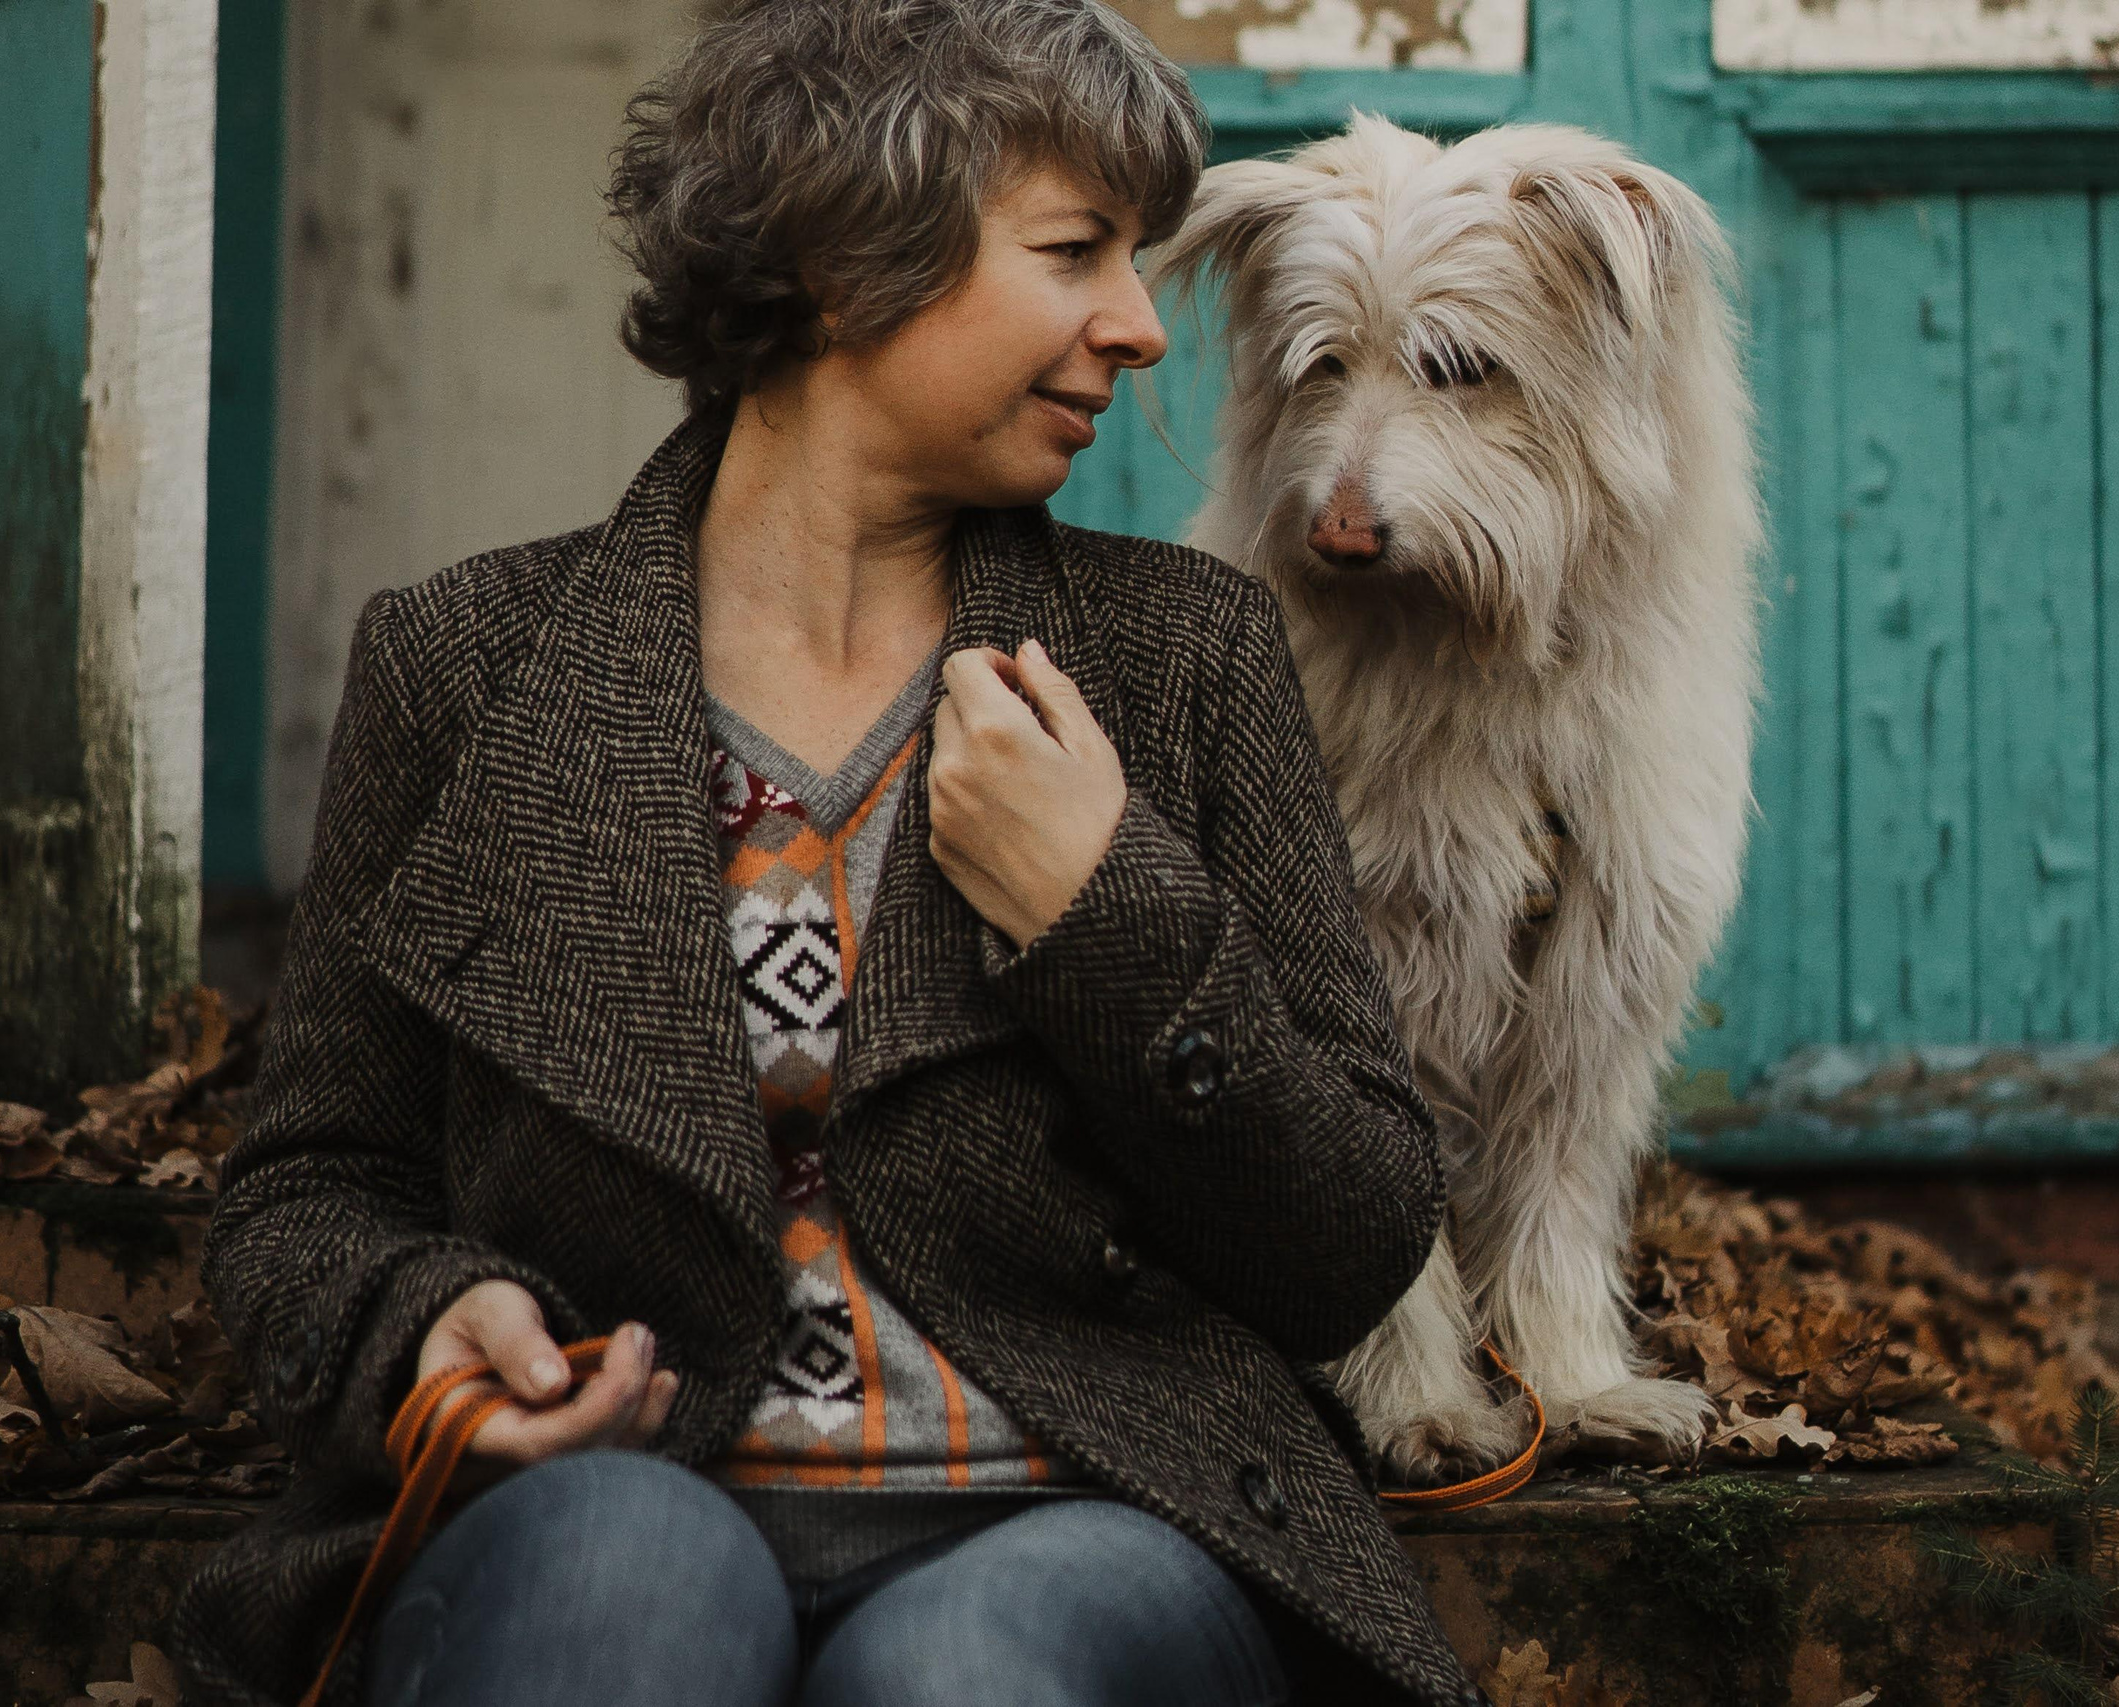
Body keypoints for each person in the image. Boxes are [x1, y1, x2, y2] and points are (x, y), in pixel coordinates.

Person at [166, 2, 1481, 1704]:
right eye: (1077, 250)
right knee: (627, 1588)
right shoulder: (467, 667)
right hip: (607, 1498)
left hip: (1092, 1510)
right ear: (854, 260)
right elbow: (310, 1191)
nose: (1144, 328)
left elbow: (1354, 1232)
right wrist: (429, 1328)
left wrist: (1109, 915)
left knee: (968, 1669)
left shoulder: (1184, 660)